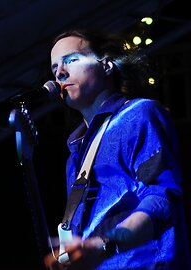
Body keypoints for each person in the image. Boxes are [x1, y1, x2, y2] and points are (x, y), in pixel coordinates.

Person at [42, 28, 191, 269]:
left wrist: (107, 245)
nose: (60, 72)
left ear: (107, 66)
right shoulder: (76, 151)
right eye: (54, 67)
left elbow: (162, 197)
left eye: (71, 60)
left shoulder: (139, 114)